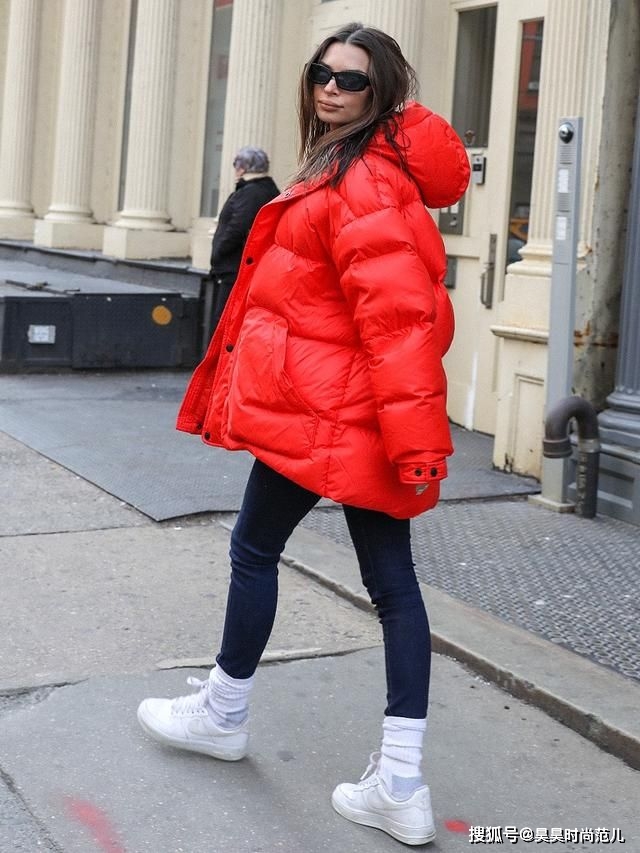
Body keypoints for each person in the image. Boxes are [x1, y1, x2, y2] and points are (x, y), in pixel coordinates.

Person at [137, 22, 469, 847]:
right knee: (387, 585)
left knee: (263, 552)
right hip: (335, 413)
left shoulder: (363, 181)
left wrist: (417, 444)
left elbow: (399, 325)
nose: (330, 87)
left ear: (382, 91)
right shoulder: (347, 164)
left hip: (339, 420)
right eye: (321, 72)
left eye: (350, 80)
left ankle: (229, 713)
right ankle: (395, 779)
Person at [208, 146, 279, 329]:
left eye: (235, 164)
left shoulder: (251, 192)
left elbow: (237, 227)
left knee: (225, 323)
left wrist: (219, 253)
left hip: (234, 269)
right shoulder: (265, 190)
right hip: (245, 268)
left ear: (242, 167)